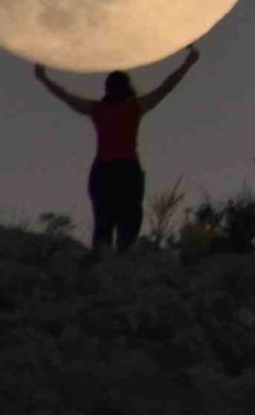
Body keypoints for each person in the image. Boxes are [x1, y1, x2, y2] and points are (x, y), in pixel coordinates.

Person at [33, 43, 201, 262]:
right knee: (127, 225)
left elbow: (66, 97)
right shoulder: (133, 107)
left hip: (104, 171)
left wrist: (44, 79)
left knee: (104, 224)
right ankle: (118, 265)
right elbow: (166, 87)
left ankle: (102, 265)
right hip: (126, 171)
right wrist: (188, 63)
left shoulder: (99, 109)